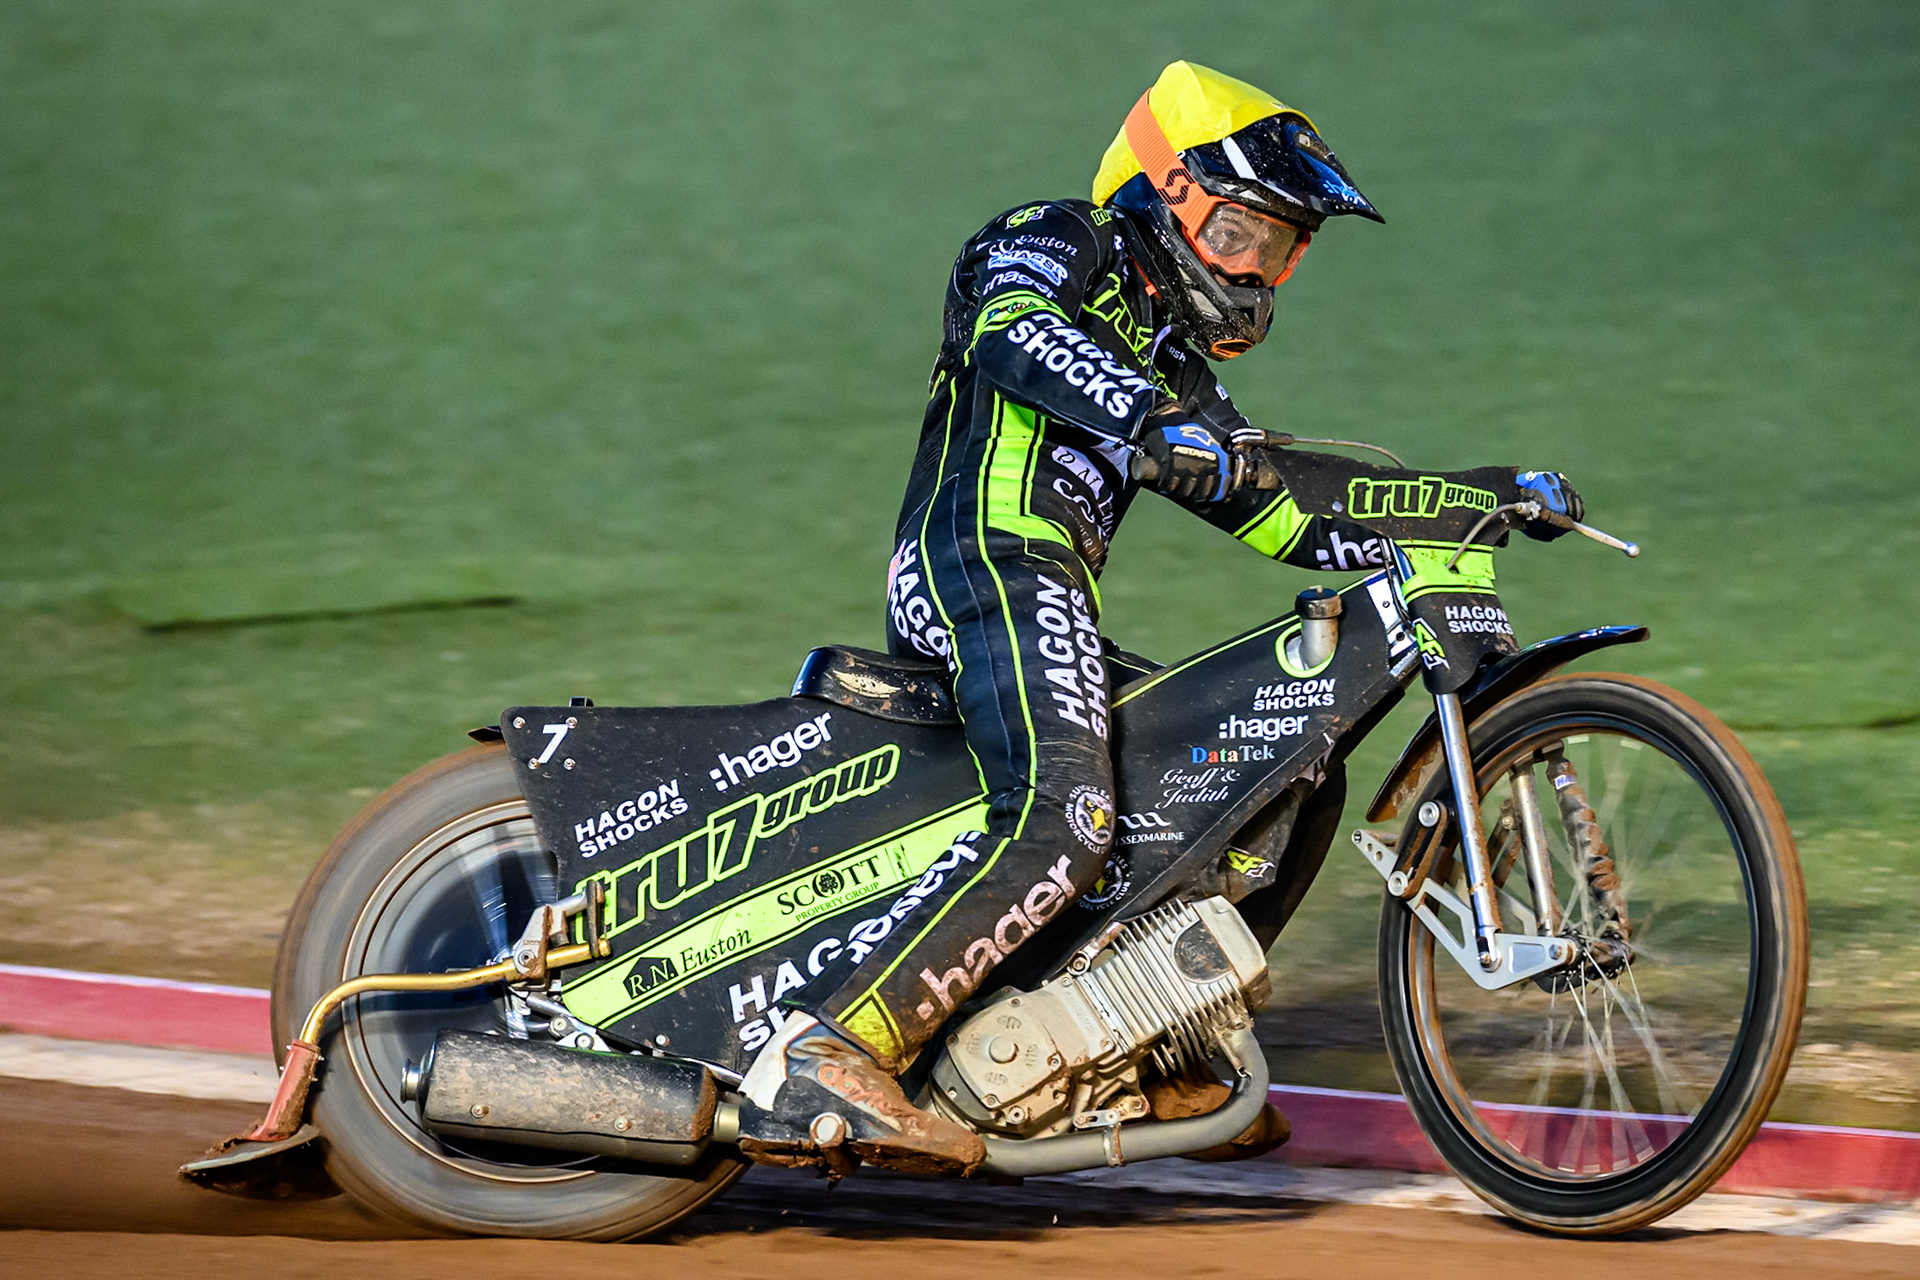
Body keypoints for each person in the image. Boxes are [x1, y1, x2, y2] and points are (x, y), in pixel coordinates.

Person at [739, 61, 1580, 1175]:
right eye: (1237, 229)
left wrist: (1478, 497)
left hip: (1048, 594)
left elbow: (1283, 510)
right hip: (979, 563)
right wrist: (1144, 417)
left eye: (1276, 248)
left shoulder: (1173, 361)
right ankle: (833, 1049)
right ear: (1162, 192)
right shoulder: (1057, 237)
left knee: (1289, 762)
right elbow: (1006, 328)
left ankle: (1157, 1043)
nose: (1252, 268)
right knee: (1070, 816)